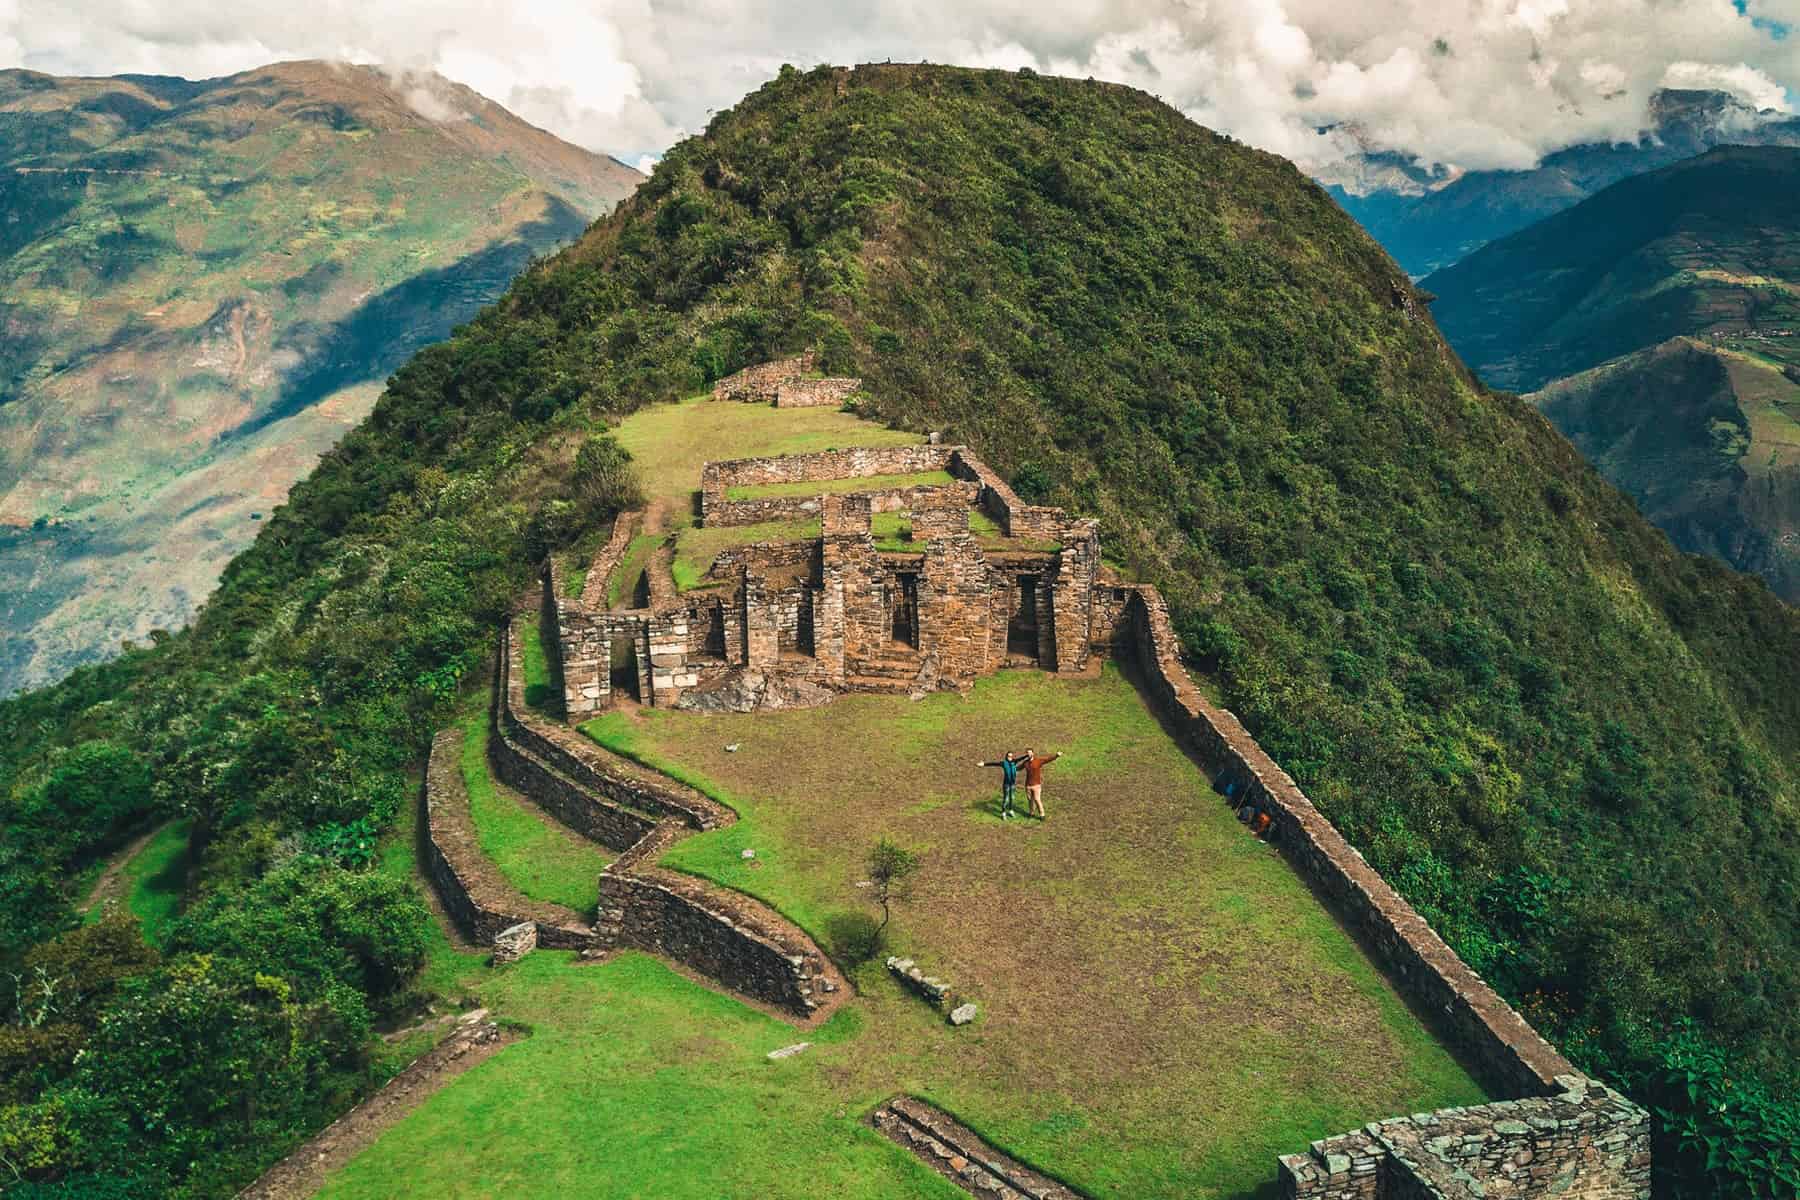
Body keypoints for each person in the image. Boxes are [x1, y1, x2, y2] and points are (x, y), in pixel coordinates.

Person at [974, 751, 1028, 819]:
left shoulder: (1014, 762)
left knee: (1012, 798)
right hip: (1006, 784)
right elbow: (993, 764)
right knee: (1006, 799)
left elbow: (1021, 758)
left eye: (1011, 756)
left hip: (1013, 784)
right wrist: (984, 764)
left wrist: (1027, 755)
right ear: (1006, 757)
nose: (1010, 757)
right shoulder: (1004, 763)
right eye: (1008, 756)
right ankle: (1003, 812)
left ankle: (1011, 810)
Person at [1017, 748, 1061, 820]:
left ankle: (1042, 814)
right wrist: (1010, 768)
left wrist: (1056, 756)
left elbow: (1048, 760)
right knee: (1030, 800)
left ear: (1033, 753)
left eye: (1030, 753)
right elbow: (1018, 768)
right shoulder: (1025, 763)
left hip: (1036, 785)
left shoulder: (1038, 761)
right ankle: (1031, 813)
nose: (1029, 754)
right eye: (1027, 753)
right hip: (1028, 785)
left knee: (1037, 799)